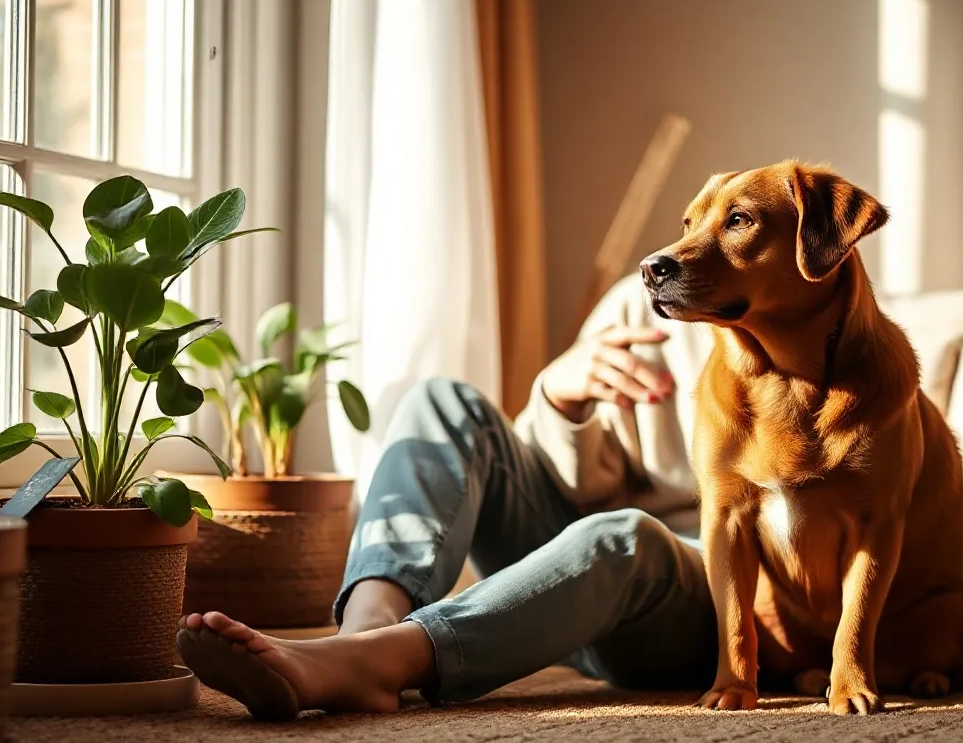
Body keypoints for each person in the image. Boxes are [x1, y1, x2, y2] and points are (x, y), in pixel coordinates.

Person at [178, 274, 721, 716]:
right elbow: (573, 483)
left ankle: (385, 663)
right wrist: (559, 400)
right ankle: (365, 630)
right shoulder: (648, 298)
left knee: (624, 536)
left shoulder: (801, 342)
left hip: (704, 601)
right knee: (440, 401)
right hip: (574, 577)